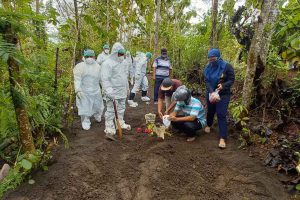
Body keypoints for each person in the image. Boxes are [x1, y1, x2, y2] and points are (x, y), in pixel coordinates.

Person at [204, 48, 235, 149]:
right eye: (210, 59)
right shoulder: (208, 67)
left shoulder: (226, 66)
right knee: (211, 111)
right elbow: (207, 81)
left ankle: (222, 138)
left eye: (213, 59)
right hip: (211, 92)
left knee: (221, 114)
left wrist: (223, 86)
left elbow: (231, 79)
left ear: (218, 57)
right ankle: (209, 125)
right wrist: (212, 92)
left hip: (223, 94)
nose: (212, 61)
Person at [101, 42, 131, 139]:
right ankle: (109, 127)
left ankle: (120, 123)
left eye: (123, 54)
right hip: (112, 92)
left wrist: (127, 88)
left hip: (122, 91)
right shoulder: (107, 63)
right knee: (111, 110)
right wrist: (109, 91)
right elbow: (105, 79)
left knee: (121, 108)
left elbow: (124, 76)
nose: (122, 56)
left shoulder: (124, 63)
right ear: (114, 53)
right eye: (120, 54)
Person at [73, 49, 104, 130]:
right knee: (85, 107)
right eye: (87, 56)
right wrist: (78, 89)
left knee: (98, 105)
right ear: (84, 57)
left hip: (96, 90)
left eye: (91, 56)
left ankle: (97, 115)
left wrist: (104, 88)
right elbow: (77, 79)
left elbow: (101, 79)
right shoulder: (80, 66)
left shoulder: (98, 66)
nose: (89, 58)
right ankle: (86, 121)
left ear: (94, 57)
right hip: (84, 91)